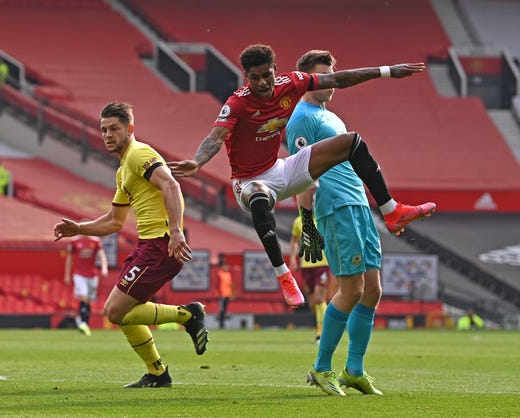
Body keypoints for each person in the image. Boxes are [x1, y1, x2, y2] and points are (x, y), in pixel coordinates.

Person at [168, 44, 436, 310]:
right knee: (259, 198)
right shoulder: (237, 103)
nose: (262, 82)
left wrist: (388, 71)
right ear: (246, 77)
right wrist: (198, 161)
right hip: (249, 182)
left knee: (351, 142)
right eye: (254, 77)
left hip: (281, 169)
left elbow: (338, 79)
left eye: (266, 75)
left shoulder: (292, 83)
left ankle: (391, 211)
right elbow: (215, 137)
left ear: (275, 70)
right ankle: (284, 276)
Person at [54, 101, 209, 388]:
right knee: (124, 312)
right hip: (147, 246)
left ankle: (187, 315)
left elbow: (171, 185)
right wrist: (78, 228)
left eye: (114, 128)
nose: (108, 135)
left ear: (130, 129)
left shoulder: (139, 154)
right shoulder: (124, 169)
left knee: (115, 312)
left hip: (160, 244)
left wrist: (175, 232)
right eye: (104, 130)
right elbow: (114, 221)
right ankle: (158, 373)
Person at [286, 50, 391, 396]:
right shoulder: (302, 118)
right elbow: (300, 174)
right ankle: (320, 367)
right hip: (336, 208)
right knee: (352, 289)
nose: (331, 82)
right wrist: (308, 225)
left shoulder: (329, 116)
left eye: (333, 75)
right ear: (307, 78)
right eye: (323, 76)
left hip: (359, 205)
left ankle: (355, 370)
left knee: (373, 289)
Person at [289, 200, 329, 344]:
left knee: (319, 298)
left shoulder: (322, 219)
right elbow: (294, 241)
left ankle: (322, 333)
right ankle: (320, 329)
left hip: (322, 264)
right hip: (306, 265)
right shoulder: (298, 222)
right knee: (313, 302)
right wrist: (293, 258)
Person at [64, 232, 109, 336]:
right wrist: (67, 275)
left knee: (88, 300)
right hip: (79, 274)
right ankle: (83, 323)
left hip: (92, 275)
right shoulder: (75, 241)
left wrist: (104, 267)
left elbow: (102, 255)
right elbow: (69, 258)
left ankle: (85, 323)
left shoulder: (96, 241)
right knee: (83, 297)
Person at [216, 256, 233, 329]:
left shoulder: (228, 274)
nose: (227, 267)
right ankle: (221, 324)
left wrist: (232, 293)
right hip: (221, 295)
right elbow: (217, 284)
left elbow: (230, 285)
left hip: (227, 295)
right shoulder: (220, 273)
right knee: (222, 310)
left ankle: (222, 324)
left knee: (225, 310)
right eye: (225, 266)